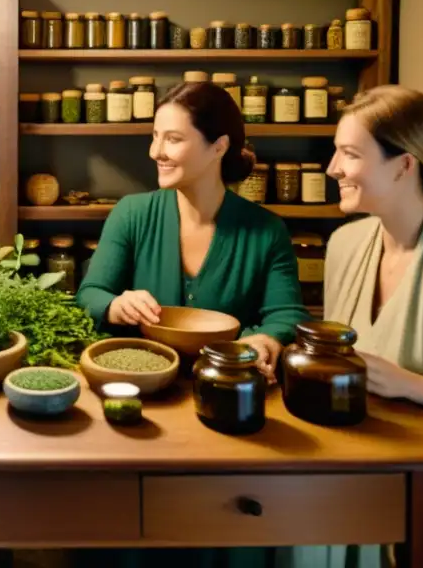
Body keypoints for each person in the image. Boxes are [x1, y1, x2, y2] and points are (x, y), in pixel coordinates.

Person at [278, 86, 423, 568]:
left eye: (349, 154)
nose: (332, 169)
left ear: (404, 165)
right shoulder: (344, 245)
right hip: (352, 460)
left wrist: (418, 387)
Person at [77, 81, 310, 381]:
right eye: (155, 137)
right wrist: (115, 306)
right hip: (143, 384)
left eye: (173, 139)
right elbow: (90, 294)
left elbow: (288, 314)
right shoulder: (131, 213)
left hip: (227, 385)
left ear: (219, 146)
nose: (156, 152)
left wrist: (265, 339)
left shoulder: (266, 230)